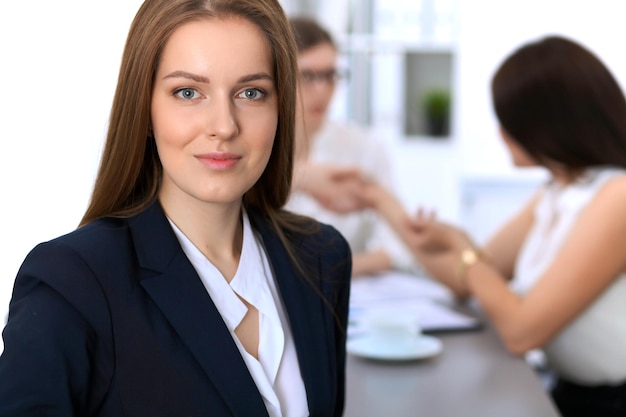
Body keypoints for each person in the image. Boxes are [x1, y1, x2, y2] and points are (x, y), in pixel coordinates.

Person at [0, 1, 352, 416]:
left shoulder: (322, 257)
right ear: (145, 109)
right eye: (188, 92)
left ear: (280, 108)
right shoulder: (71, 281)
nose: (224, 125)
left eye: (251, 92)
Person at [364, 35, 626, 417]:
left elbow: (521, 331)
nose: (500, 132)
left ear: (548, 121)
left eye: (507, 118)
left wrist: (462, 248)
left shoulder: (616, 196)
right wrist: (378, 200)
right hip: (568, 391)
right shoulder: (557, 191)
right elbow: (466, 278)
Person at [287, 16, 415, 278]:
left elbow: (398, 245)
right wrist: (302, 177)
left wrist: (337, 270)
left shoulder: (365, 147)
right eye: (307, 76)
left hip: (350, 292)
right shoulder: (253, 149)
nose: (322, 90)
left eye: (330, 75)